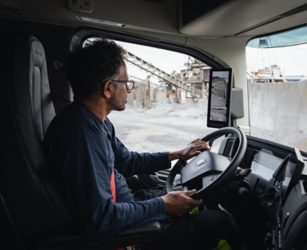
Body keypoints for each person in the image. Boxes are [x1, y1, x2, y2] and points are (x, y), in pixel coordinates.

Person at [43, 39, 242, 250]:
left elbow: (126, 161)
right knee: (222, 222)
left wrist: (176, 154)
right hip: (131, 236)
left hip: (128, 207)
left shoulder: (96, 122)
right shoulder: (80, 135)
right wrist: (163, 205)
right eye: (126, 84)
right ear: (108, 88)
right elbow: (100, 220)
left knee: (191, 195)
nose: (129, 90)